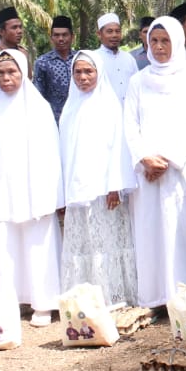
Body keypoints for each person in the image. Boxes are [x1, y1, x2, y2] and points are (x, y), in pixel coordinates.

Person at [124, 16, 186, 307]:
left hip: (181, 168)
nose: (159, 47)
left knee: (182, 230)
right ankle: (155, 297)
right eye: (154, 41)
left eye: (165, 41)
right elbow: (130, 124)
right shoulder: (138, 80)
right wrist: (145, 158)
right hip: (147, 171)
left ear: (177, 42)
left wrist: (168, 159)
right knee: (150, 232)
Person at [0, 49, 63, 326]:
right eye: (1, 73)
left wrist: (52, 192)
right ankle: (8, 302)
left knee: (38, 243)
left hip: (34, 187)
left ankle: (43, 303)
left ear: (24, 72)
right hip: (0, 187)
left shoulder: (37, 107)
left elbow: (51, 152)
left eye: (11, 72)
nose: (5, 78)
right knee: (4, 243)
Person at [59, 51, 139, 306]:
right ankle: (85, 297)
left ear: (99, 73)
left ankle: (111, 295)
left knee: (106, 243)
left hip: (105, 190)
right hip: (78, 189)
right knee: (84, 243)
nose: (83, 77)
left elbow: (118, 149)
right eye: (78, 72)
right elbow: (65, 153)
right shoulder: (70, 108)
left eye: (88, 72)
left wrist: (114, 186)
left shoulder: (109, 104)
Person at [33, 15, 75, 121]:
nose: (61, 39)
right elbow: (38, 95)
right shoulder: (42, 62)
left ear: (72, 37)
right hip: (54, 119)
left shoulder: (80, 59)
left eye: (64, 35)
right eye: (56, 35)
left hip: (78, 116)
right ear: (51, 38)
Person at [95, 12, 138, 102]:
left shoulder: (129, 58)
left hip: (129, 113)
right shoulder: (94, 59)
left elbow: (137, 86)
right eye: (109, 31)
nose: (114, 35)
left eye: (117, 31)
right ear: (99, 34)